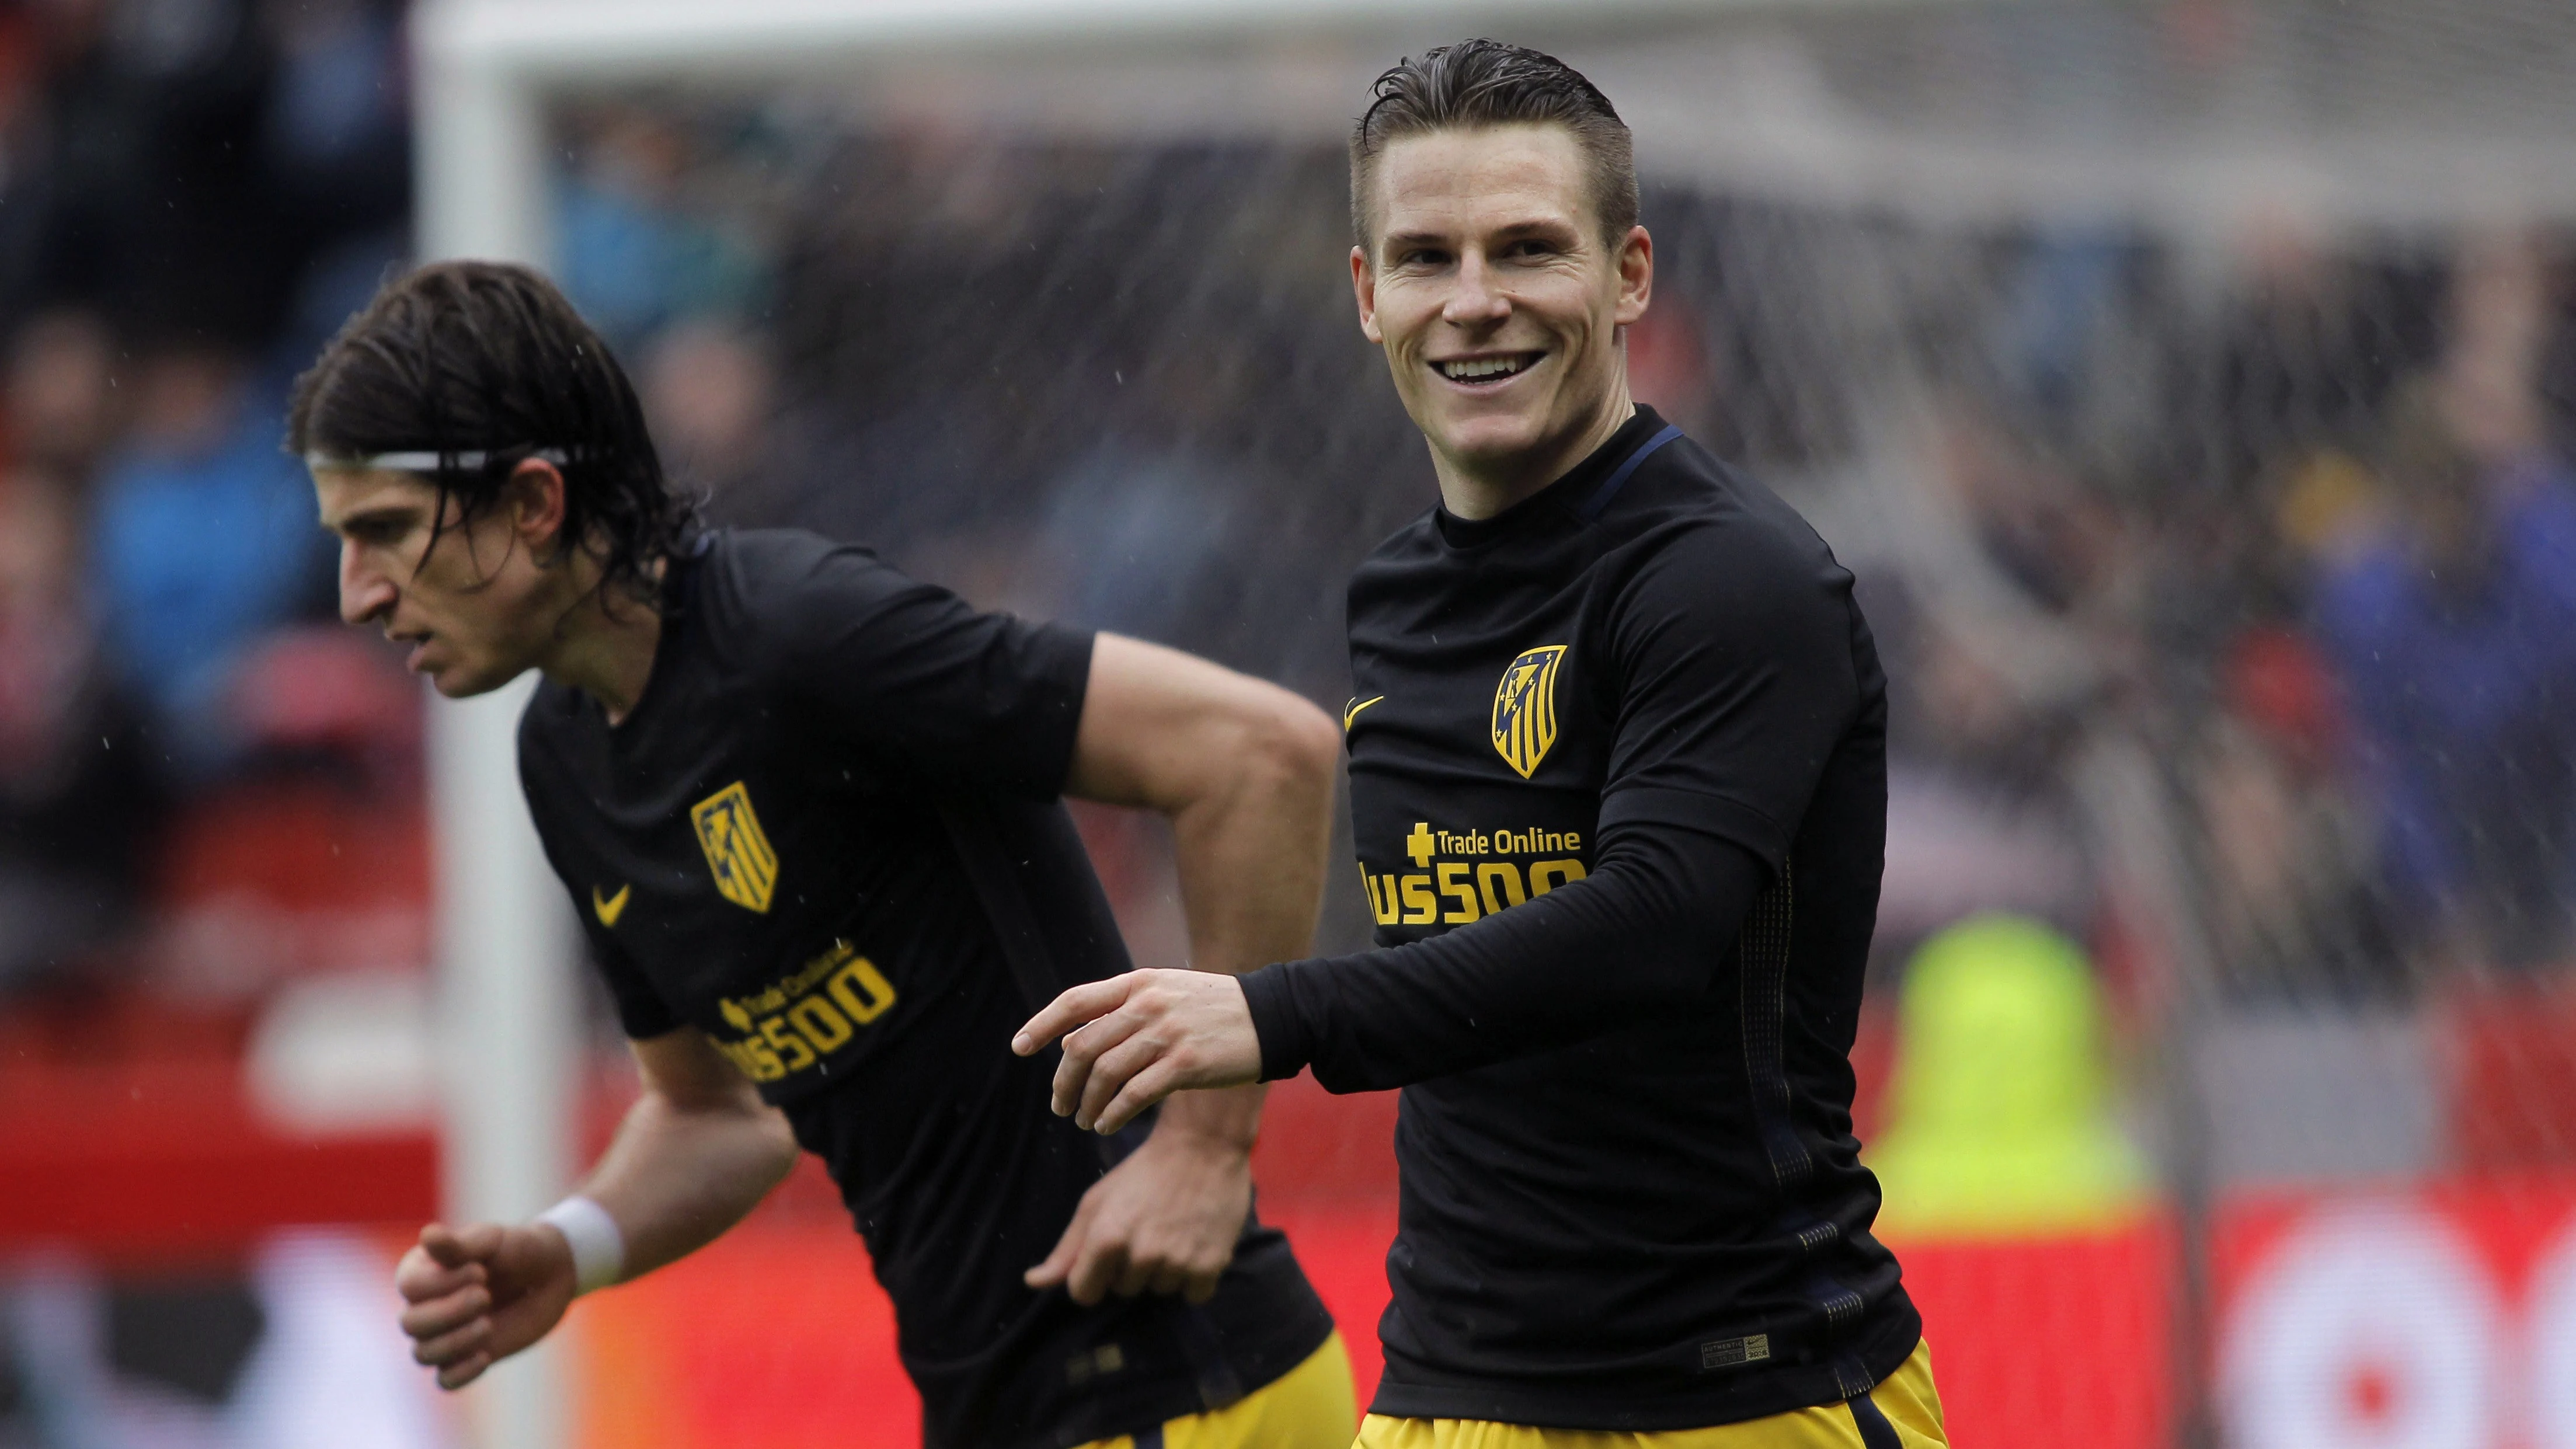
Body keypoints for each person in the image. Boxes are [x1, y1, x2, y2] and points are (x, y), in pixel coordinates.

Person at [1015, 41, 1944, 1449]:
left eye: (1526, 248)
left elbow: (1650, 927)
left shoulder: (1732, 577)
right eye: (1426, 256)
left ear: (1629, 275)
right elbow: (1463, 985)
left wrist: (1268, 1013)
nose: (1473, 302)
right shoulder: (1393, 591)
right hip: (1452, 1393)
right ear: (1365, 293)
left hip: (1744, 1390)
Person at [290, 262, 1355, 1449]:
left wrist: (1207, 1150)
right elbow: (715, 1114)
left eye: (381, 530)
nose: (357, 594)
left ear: (534, 502)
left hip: (1187, 1385)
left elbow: (1262, 752)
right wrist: (569, 1246)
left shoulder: (800, 634)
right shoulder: (564, 757)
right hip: (1001, 1410)